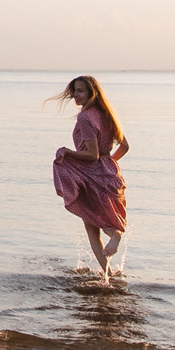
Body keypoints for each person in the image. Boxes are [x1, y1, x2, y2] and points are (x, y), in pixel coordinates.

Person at [51, 74, 129, 282]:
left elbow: (91, 155)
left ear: (92, 93)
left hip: (91, 174)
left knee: (95, 222)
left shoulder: (85, 118)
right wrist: (109, 163)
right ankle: (107, 275)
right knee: (91, 224)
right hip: (108, 172)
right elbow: (125, 147)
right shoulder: (107, 115)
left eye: (81, 91)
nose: (76, 95)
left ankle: (116, 237)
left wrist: (67, 152)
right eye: (75, 91)